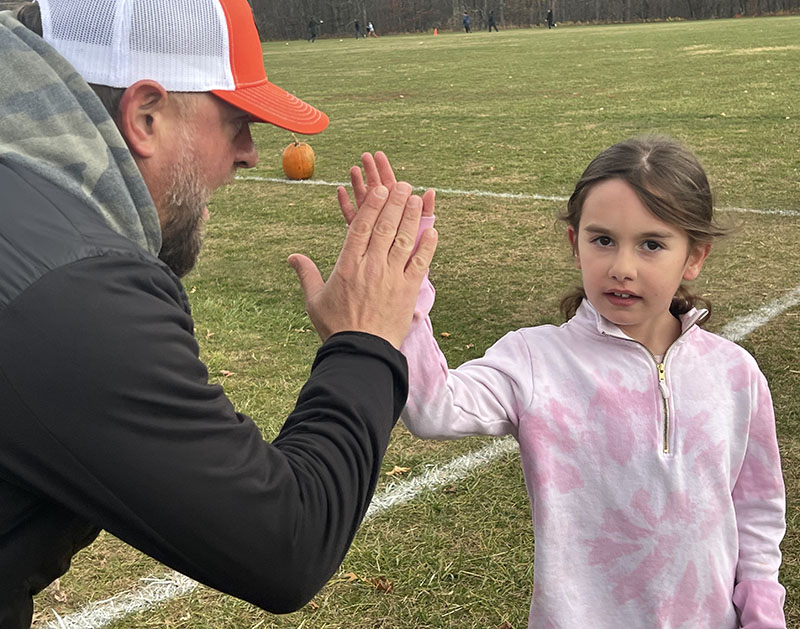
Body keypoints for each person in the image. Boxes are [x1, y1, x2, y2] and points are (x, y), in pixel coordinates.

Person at [0, 1, 437, 627]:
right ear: (145, 115)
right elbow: (285, 541)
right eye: (236, 120)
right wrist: (363, 340)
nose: (252, 153)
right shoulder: (70, 288)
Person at [348, 139, 786, 627]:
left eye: (652, 244)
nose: (622, 266)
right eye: (603, 240)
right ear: (574, 243)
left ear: (694, 257)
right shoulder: (536, 360)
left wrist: (763, 612)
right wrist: (403, 291)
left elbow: (757, 511)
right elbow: (433, 408)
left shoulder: (734, 372)